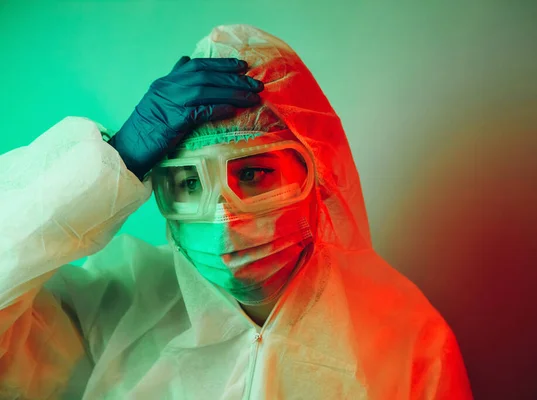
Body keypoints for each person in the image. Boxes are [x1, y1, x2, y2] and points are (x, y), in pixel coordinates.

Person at [0, 24, 472, 399]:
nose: (225, 223)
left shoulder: (410, 343)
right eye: (189, 182)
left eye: (252, 174)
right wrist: (113, 162)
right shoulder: (112, 305)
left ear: (316, 172)